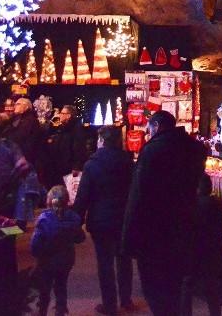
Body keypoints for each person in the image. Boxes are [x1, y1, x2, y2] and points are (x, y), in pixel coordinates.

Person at [122, 111, 207, 316]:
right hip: (183, 224)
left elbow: (138, 196)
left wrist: (129, 238)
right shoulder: (194, 148)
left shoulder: (152, 150)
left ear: (157, 126)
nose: (148, 133)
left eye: (149, 129)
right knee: (175, 283)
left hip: (155, 230)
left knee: (155, 286)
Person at [73, 125, 135, 315]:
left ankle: (110, 304)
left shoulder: (92, 164)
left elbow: (83, 195)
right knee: (124, 260)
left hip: (100, 221)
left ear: (101, 141)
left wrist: (77, 219)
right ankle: (126, 300)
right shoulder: (128, 163)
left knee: (104, 264)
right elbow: (135, 191)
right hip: (123, 219)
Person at [0, 120, 33, 314]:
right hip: (6, 213)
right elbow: (24, 175)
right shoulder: (10, 148)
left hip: (4, 213)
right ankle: (7, 303)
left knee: (5, 253)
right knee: (6, 254)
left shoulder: (8, 148)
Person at [31, 185, 86, 316]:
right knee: (61, 286)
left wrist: (39, 253)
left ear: (49, 201)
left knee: (45, 287)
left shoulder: (44, 220)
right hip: (66, 260)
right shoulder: (72, 219)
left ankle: (42, 310)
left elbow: (35, 245)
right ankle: (60, 310)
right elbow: (80, 238)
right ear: (67, 201)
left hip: (47, 261)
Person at [182, 174, 222, 316]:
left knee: (187, 286)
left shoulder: (193, 206)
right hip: (211, 253)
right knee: (211, 289)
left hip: (194, 252)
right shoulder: (216, 205)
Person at [44, 105, 91, 190]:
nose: (59, 115)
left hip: (68, 165)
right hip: (60, 163)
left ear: (68, 116)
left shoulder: (76, 129)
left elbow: (78, 147)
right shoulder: (63, 128)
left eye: (62, 113)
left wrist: (76, 166)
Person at [2, 97, 45, 175]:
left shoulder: (30, 121)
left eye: (18, 104)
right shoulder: (15, 118)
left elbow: (21, 137)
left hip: (24, 157)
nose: (15, 106)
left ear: (26, 107)